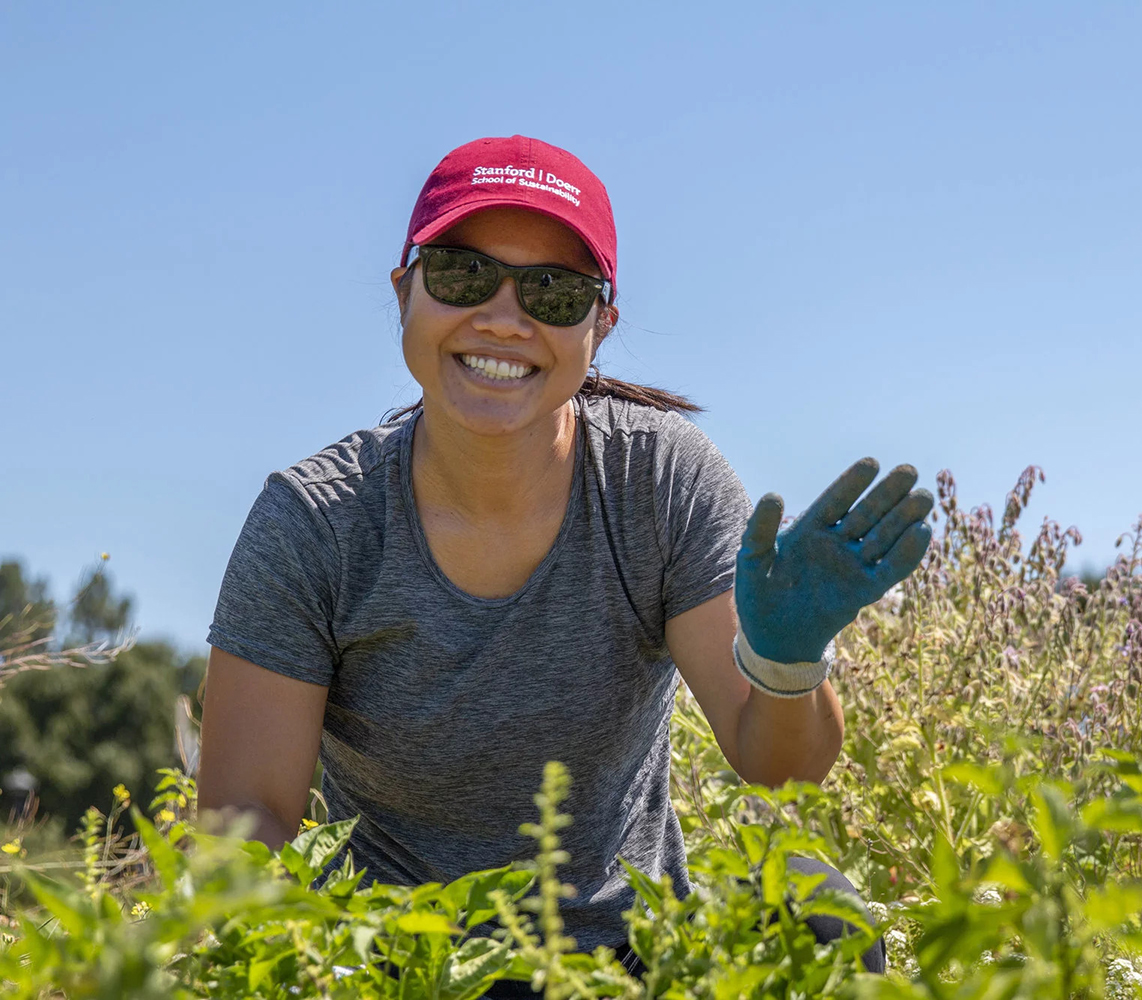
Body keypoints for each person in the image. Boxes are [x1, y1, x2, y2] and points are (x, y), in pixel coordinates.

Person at [196, 135, 933, 993]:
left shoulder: (659, 480)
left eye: (554, 292)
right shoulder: (315, 521)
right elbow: (244, 828)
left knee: (822, 917)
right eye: (464, 276)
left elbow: (780, 769)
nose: (505, 319)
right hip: (415, 966)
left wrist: (783, 661)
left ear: (600, 325)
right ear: (405, 293)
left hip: (636, 961)